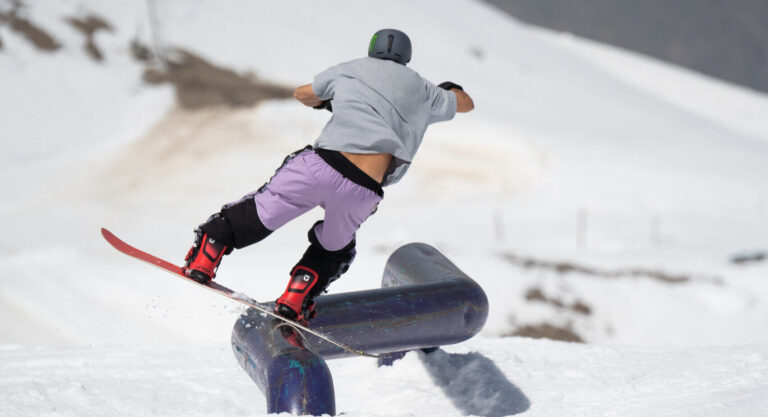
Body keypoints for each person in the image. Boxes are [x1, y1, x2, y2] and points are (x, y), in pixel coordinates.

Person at [182, 28, 475, 325]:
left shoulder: (351, 70)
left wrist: (326, 101)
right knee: (336, 248)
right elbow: (465, 103)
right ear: (407, 56)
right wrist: (449, 90)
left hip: (320, 166)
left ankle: (209, 251)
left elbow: (303, 94)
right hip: (362, 189)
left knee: (262, 210)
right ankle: (296, 296)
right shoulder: (425, 91)